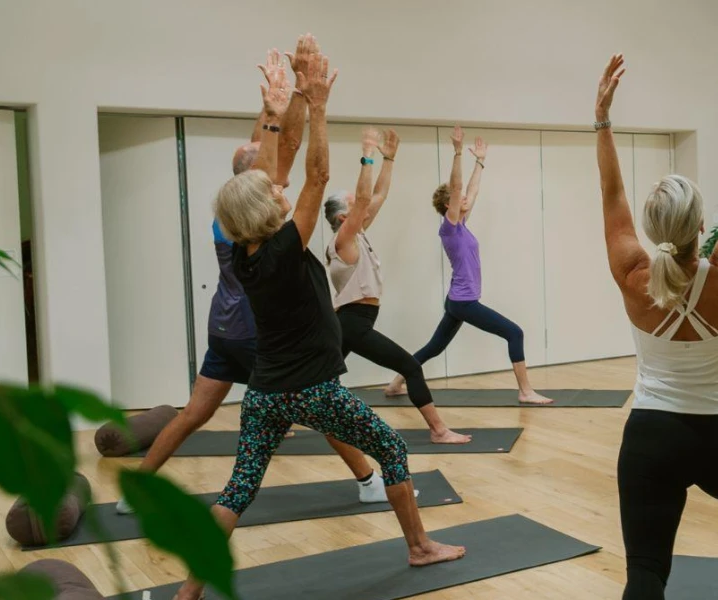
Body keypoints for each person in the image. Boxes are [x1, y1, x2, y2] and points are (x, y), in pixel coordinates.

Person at [173, 45, 464, 600]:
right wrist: (319, 105)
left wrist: (277, 112)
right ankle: (420, 545)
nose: (277, 187)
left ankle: (188, 591)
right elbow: (317, 175)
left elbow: (263, 177)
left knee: (237, 490)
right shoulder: (287, 245)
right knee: (393, 450)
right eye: (270, 192)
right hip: (312, 388)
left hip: (265, 392)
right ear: (263, 211)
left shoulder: (240, 250)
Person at [118, 37, 391, 515]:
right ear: (261, 185)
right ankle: (369, 479)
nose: (276, 177)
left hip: (222, 328)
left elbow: (271, 151)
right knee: (323, 404)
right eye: (271, 177)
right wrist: (304, 99)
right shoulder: (265, 227)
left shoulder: (229, 217)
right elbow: (285, 154)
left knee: (194, 413)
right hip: (256, 334)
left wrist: (276, 106)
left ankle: (136, 490)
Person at [594, 46, 718, 600]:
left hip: (651, 436)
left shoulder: (633, 274)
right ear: (702, 226)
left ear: (653, 230)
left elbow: (611, 195)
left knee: (645, 572)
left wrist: (602, 120)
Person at [384, 126, 552, 405]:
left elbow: (471, 190)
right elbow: (459, 188)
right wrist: (458, 152)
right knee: (514, 333)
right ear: (449, 205)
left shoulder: (461, 224)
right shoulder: (449, 228)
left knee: (435, 347)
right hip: (464, 301)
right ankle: (525, 391)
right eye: (458, 198)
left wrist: (480, 162)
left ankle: (395, 383)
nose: (465, 199)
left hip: (456, 300)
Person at [324, 127, 471, 444]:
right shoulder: (343, 239)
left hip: (352, 321)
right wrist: (367, 156)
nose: (362, 207)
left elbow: (377, 196)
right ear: (342, 218)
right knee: (411, 367)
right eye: (354, 205)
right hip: (353, 323)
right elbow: (366, 198)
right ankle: (438, 430)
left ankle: (278, 423)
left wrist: (389, 159)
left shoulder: (357, 234)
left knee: (319, 378)